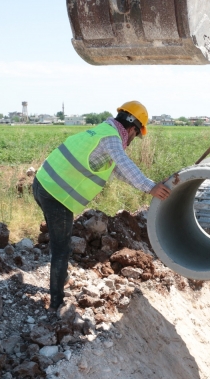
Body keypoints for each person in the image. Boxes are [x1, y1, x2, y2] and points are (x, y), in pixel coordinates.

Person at [32, 101, 171, 311]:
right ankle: (56, 304)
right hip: (56, 195)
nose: (134, 139)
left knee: (58, 240)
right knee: (62, 248)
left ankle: (61, 278)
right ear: (132, 129)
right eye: (136, 134)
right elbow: (125, 164)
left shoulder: (102, 131)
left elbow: (118, 170)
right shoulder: (112, 139)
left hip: (42, 183)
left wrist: (149, 185)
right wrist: (150, 187)